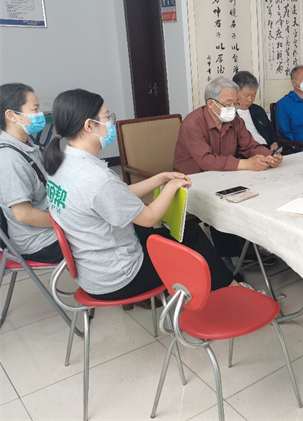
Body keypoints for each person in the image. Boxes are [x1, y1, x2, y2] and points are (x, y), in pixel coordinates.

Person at [43, 89, 240, 300]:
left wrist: (160, 178)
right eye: (107, 117)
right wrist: (172, 187)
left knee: (158, 234)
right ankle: (230, 290)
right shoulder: (97, 178)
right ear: (89, 125)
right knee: (191, 234)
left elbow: (117, 198)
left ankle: (216, 287)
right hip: (121, 277)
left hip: (92, 269)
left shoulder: (62, 163)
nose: (111, 123)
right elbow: (148, 218)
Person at [0, 83, 62, 263]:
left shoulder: (27, 146)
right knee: (103, 232)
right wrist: (68, 221)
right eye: (35, 109)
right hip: (40, 242)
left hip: (49, 227)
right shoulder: (9, 159)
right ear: (12, 115)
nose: (40, 114)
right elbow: (24, 214)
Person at [174, 77, 282, 174]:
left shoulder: (236, 121)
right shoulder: (192, 124)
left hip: (225, 174)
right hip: (192, 179)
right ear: (211, 104)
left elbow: (249, 146)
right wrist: (246, 164)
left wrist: (270, 156)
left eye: (235, 103)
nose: (232, 108)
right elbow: (206, 160)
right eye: (227, 104)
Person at [233, 71, 279, 152]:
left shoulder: (258, 110)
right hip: (246, 153)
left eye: (253, 95)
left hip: (266, 149)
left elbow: (271, 132)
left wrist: (275, 143)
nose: (250, 99)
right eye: (246, 95)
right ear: (235, 91)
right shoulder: (228, 114)